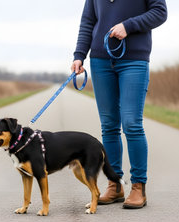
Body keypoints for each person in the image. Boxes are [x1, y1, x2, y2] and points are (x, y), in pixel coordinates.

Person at [71, 0, 167, 209]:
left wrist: (128, 26)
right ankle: (115, 185)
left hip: (134, 60)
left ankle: (138, 187)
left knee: (131, 123)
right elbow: (88, 21)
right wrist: (79, 55)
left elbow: (160, 12)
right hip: (100, 61)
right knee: (109, 126)